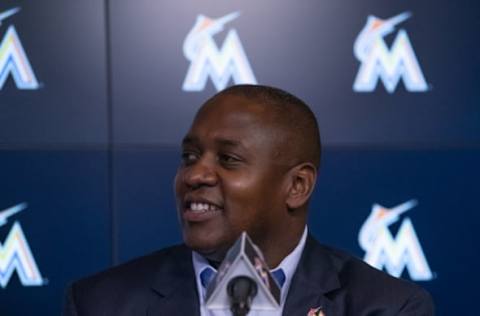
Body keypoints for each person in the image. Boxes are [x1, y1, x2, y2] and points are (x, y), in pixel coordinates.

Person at [63, 84, 434, 316]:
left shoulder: (387, 307)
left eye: (228, 159)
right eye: (189, 156)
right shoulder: (99, 304)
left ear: (297, 186)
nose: (194, 175)